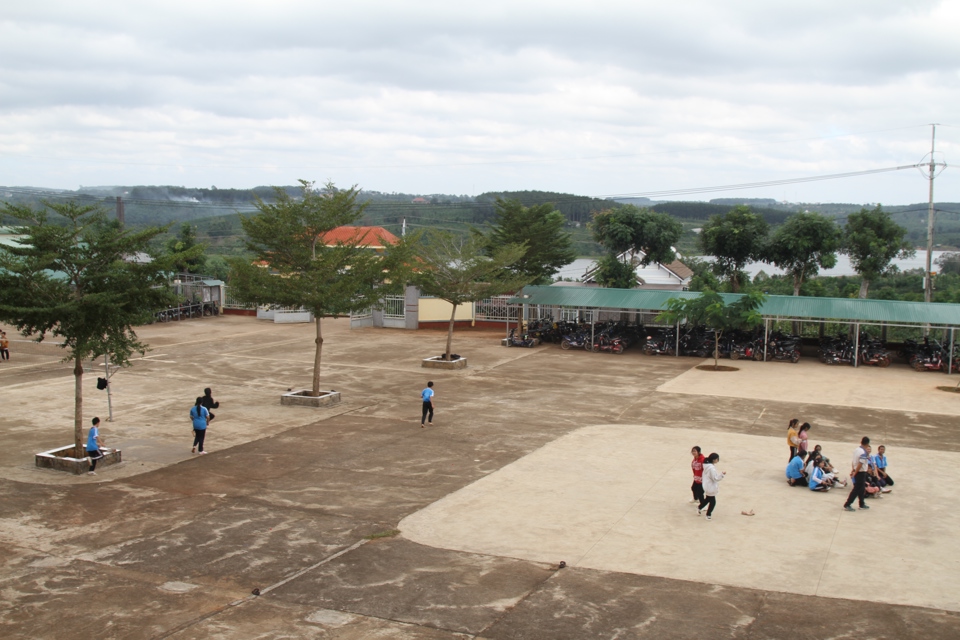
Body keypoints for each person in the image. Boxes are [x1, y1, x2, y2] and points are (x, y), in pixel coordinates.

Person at [843, 437, 872, 512]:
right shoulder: (863, 452)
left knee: (861, 489)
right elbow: (860, 464)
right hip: (860, 472)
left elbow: (854, 461)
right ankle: (848, 504)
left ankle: (861, 503)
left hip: (858, 470)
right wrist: (855, 473)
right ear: (868, 444)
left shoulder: (857, 450)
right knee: (856, 489)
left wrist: (853, 469)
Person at [698, 453, 725, 520]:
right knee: (713, 502)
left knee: (708, 499)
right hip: (710, 486)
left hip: (706, 485)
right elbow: (715, 478)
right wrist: (722, 475)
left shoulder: (706, 465)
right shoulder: (711, 468)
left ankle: (699, 507)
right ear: (714, 459)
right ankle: (708, 514)